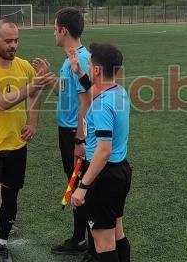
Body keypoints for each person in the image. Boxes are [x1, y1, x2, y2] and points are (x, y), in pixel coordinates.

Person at [0, 20, 55, 262]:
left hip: (17, 146)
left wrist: (33, 123)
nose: (13, 45)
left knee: (11, 200)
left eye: (16, 40)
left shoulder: (23, 67)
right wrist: (31, 85)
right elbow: (0, 101)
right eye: (8, 41)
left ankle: (2, 244)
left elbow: (35, 94)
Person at [70, 43, 131, 262]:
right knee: (117, 233)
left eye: (89, 64)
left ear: (96, 70)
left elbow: (103, 151)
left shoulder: (101, 105)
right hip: (121, 172)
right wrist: (78, 71)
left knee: (103, 246)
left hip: (104, 177)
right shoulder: (118, 92)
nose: (87, 66)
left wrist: (82, 187)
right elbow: (93, 91)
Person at [46, 7, 94, 256]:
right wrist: (48, 77)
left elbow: (87, 102)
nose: (53, 33)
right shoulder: (70, 59)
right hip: (68, 130)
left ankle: (88, 241)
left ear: (64, 30)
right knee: (75, 184)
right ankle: (80, 237)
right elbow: (65, 93)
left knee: (81, 186)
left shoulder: (81, 60)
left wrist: (80, 138)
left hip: (75, 133)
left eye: (55, 28)